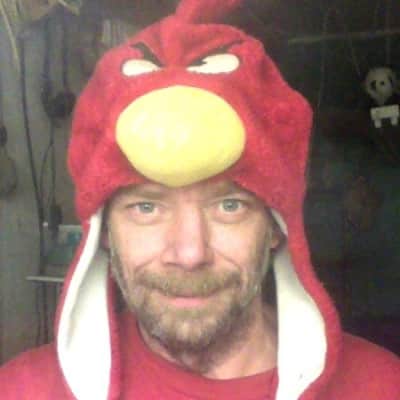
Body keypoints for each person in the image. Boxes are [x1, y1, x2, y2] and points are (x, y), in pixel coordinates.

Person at [1, 0, 399, 399]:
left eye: (229, 206)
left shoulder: (381, 386)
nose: (190, 253)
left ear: (276, 226)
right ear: (105, 231)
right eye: (146, 207)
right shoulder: (22, 390)